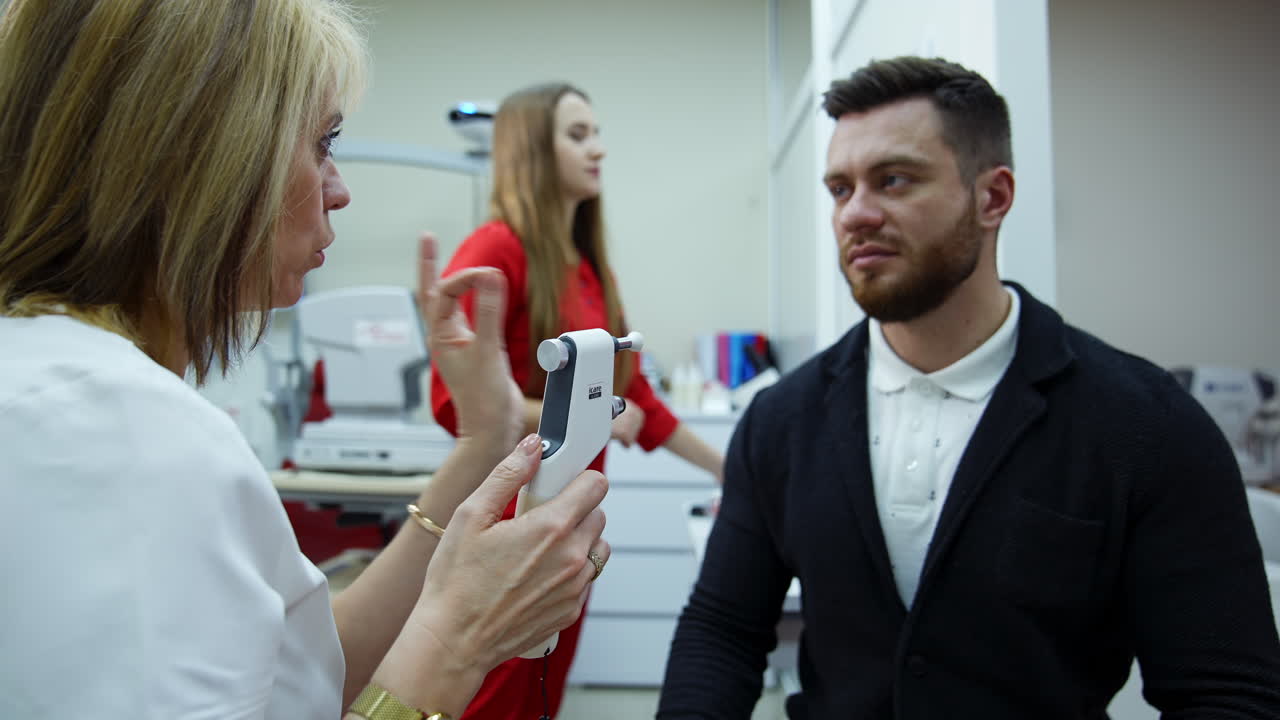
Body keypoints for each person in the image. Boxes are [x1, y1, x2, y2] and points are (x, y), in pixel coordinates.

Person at [0, 2, 610, 718]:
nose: (340, 188)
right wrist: (457, 642)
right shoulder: (125, 429)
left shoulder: (68, 388)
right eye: (322, 142)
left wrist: (487, 436)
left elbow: (305, 668)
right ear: (201, 154)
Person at [657, 56, 1280, 719]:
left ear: (993, 197)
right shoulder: (782, 419)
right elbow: (721, 632)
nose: (855, 214)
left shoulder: (1147, 425)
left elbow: (1227, 694)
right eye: (840, 189)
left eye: (894, 180)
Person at [428, 82, 725, 718]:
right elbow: (456, 404)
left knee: (541, 691)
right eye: (578, 134)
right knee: (499, 694)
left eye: (596, 132)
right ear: (534, 150)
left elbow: (637, 395)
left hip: (574, 514)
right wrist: (591, 417)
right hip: (516, 513)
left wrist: (733, 471)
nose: (599, 149)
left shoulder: (588, 267)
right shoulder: (495, 251)